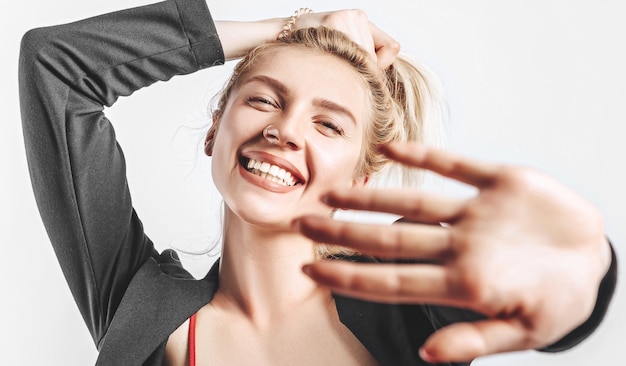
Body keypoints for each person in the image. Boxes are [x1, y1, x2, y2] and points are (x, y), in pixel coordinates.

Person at [18, 0, 616, 365]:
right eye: (263, 101)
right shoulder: (142, 307)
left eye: (328, 124)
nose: (284, 130)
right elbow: (55, 67)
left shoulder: (407, 295)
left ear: (363, 170)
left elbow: (548, 304)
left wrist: (581, 275)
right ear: (214, 133)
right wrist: (289, 27)